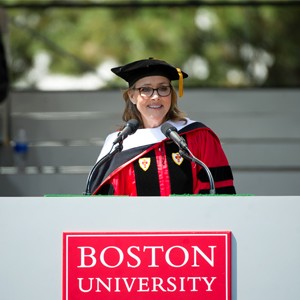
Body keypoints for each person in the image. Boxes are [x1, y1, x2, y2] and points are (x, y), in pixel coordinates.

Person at [87, 58, 236, 196]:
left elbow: (220, 195)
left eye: (163, 88)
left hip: (189, 223)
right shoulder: (118, 145)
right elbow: (106, 206)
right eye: (145, 89)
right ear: (132, 96)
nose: (155, 96)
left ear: (171, 94)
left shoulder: (198, 137)